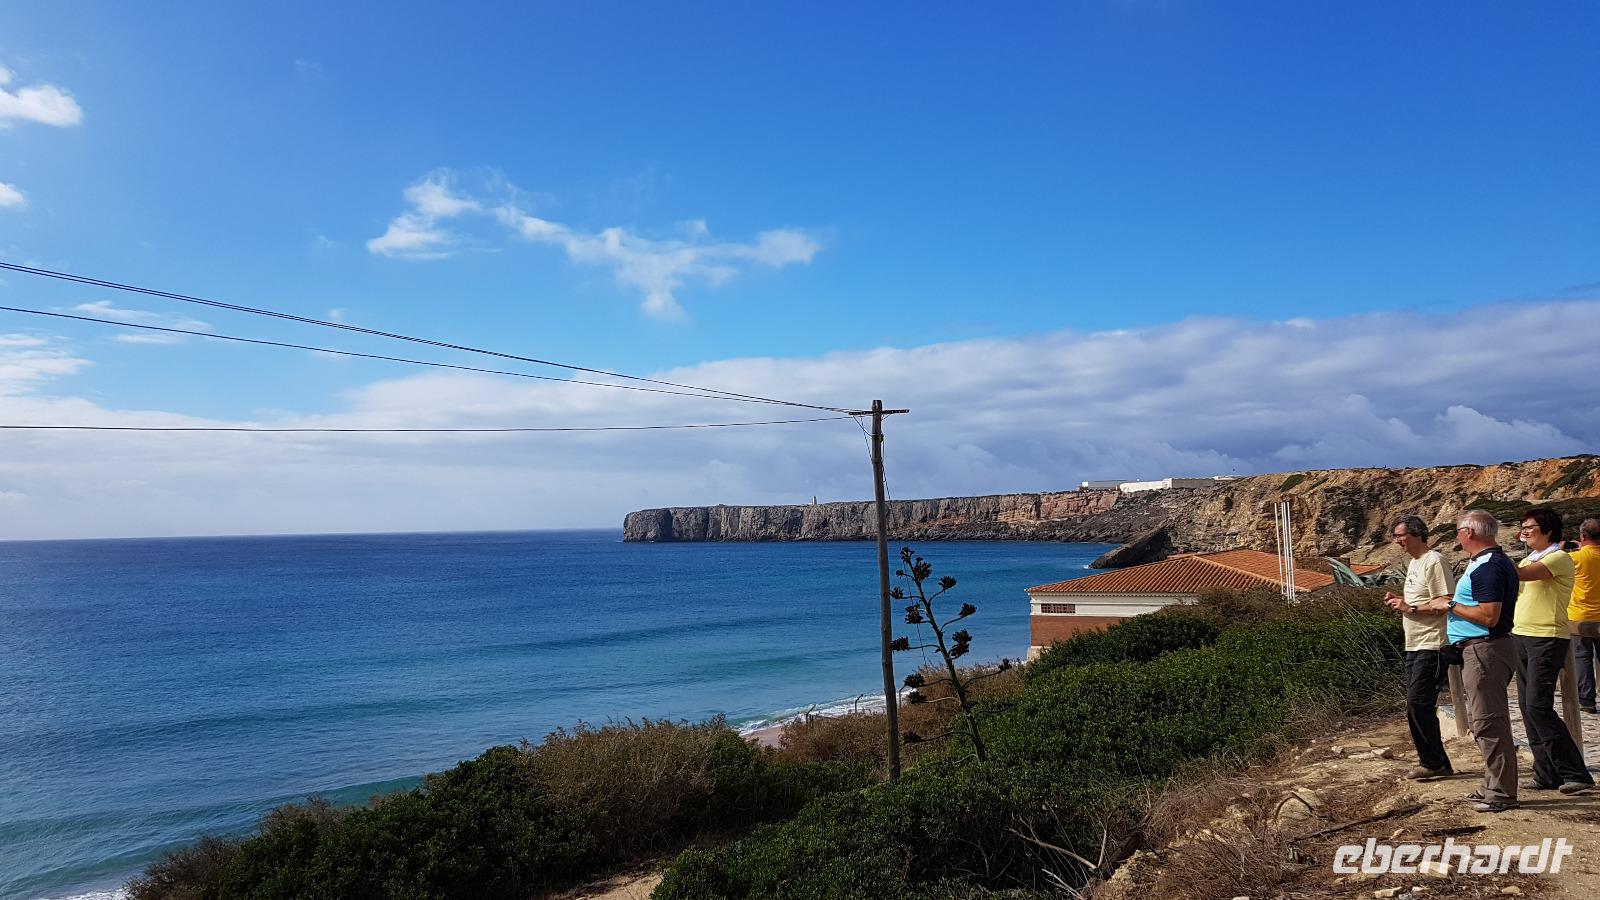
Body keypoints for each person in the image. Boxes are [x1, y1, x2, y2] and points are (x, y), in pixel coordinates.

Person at [1421, 509, 1521, 812]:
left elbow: (1489, 616)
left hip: (1484, 650)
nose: (1457, 536)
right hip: (1480, 649)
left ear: (1470, 532)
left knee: (1489, 722)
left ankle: (1501, 793)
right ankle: (1492, 785)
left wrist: (1450, 605)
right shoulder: (1486, 562)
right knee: (1485, 720)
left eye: (1458, 530)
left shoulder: (1489, 567)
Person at [1510, 508, 1593, 794]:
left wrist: (1491, 551)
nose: (1524, 532)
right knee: (1527, 707)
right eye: (1522, 527)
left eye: (1529, 527)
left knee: (1538, 705)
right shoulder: (1529, 558)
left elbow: (1522, 575)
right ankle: (1546, 773)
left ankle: (1576, 774)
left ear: (1547, 530)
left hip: (1547, 637)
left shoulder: (1558, 558)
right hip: (1522, 634)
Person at [1383, 514, 1455, 779]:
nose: (1397, 541)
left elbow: (1446, 601)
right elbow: (1422, 600)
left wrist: (1410, 607)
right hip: (1414, 644)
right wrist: (1402, 601)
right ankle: (1436, 762)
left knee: (1418, 703)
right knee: (1417, 704)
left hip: (1433, 643)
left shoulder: (1434, 561)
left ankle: (1433, 763)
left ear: (1416, 534)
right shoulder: (1415, 563)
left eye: (1400, 535)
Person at [1572, 518, 1600, 715]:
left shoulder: (1575, 558)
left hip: (1580, 616)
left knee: (1582, 658)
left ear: (1582, 536)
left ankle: (1587, 699)